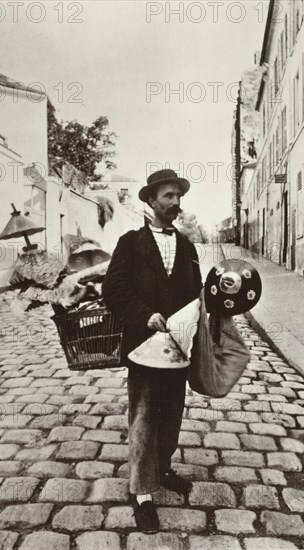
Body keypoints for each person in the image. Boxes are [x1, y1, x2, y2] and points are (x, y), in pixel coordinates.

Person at [102, 168, 203, 533]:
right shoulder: (131, 243)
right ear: (151, 201)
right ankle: (142, 494)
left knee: (172, 414)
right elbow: (113, 290)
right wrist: (144, 316)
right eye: (168, 197)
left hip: (177, 348)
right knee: (144, 415)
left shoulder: (188, 246)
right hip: (143, 346)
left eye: (178, 197)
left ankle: (162, 468)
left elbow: (197, 295)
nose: (175, 204)